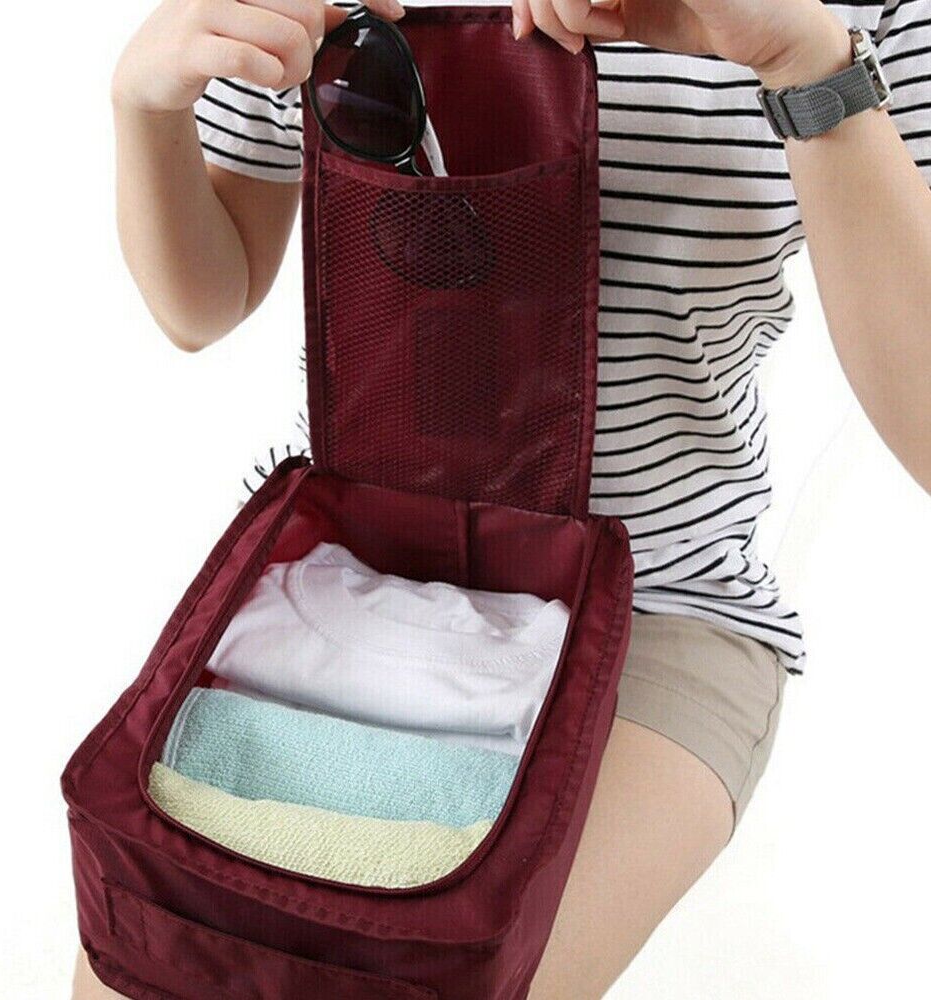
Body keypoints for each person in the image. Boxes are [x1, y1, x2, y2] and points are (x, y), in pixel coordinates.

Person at [74, 0, 931, 996]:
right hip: (342, 571)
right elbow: (202, 302)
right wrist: (144, 104)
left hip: (660, 607)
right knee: (146, 963)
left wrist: (807, 61)